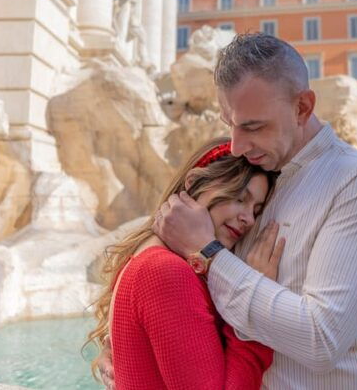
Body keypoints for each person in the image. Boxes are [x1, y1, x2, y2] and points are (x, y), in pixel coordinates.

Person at [100, 33, 357, 388]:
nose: (237, 145)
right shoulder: (257, 172)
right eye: (231, 125)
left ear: (302, 107)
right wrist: (127, 337)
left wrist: (209, 253)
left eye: (253, 127)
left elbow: (323, 340)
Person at [86, 137, 283, 389]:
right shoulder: (166, 271)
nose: (248, 219)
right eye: (238, 198)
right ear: (193, 183)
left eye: (256, 210)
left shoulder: (153, 257)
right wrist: (257, 310)